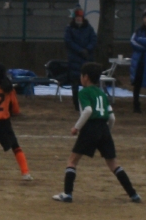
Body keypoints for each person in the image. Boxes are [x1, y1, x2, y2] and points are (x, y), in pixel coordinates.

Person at [53, 61, 140, 204]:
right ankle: (133, 194)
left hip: (90, 128)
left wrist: (76, 127)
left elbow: (88, 111)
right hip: (104, 129)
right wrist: (106, 133)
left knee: (72, 161)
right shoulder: (102, 94)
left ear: (85, 77)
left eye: (81, 75)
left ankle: (67, 194)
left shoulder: (84, 92)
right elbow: (112, 117)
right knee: (113, 164)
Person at [64, 8, 97, 109]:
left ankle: (86, 102)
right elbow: (68, 42)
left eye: (80, 17)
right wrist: (80, 50)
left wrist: (87, 49)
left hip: (86, 59)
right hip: (74, 60)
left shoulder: (89, 28)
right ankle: (76, 104)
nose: (78, 18)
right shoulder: (70, 29)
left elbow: (94, 40)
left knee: (87, 83)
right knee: (75, 83)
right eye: (77, 17)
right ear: (74, 18)